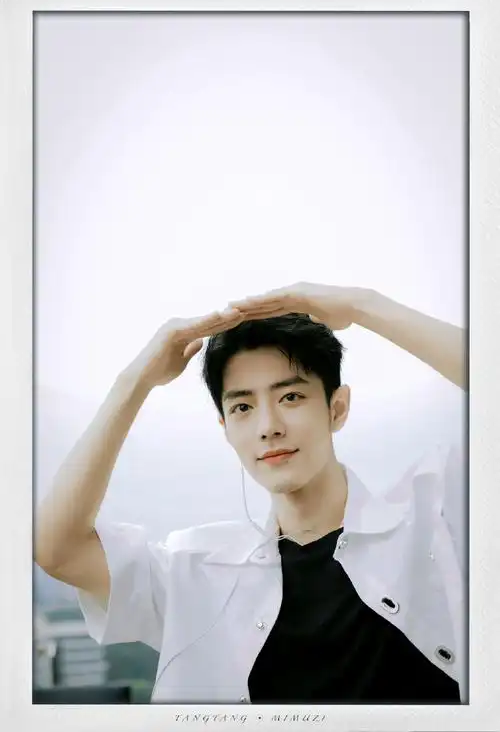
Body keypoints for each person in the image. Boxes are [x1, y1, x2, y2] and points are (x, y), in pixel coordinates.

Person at [35, 282, 467, 704]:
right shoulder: (199, 574)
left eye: (291, 397)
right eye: (243, 406)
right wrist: (136, 380)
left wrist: (361, 303)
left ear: (336, 408)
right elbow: (57, 548)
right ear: (225, 428)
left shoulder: (435, 518)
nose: (268, 427)